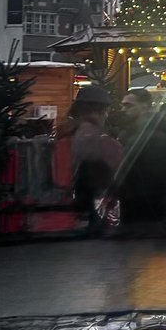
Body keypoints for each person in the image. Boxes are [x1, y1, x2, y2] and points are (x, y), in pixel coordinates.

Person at [62, 83, 123, 233]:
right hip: (93, 201)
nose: (106, 115)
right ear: (96, 111)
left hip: (82, 199)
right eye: (105, 111)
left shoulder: (71, 128)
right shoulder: (89, 133)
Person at [115, 88, 166, 231]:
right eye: (122, 105)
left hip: (147, 212)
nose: (123, 109)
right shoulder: (127, 133)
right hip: (133, 210)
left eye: (128, 105)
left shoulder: (155, 136)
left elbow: (155, 177)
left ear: (145, 107)